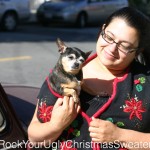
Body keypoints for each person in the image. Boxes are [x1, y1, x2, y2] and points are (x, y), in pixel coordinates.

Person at [28, 7, 150, 150]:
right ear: (103, 29)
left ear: (137, 51)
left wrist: (119, 136)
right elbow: (33, 137)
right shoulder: (60, 73)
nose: (111, 49)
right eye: (109, 37)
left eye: (124, 46)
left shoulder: (145, 84)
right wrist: (55, 125)